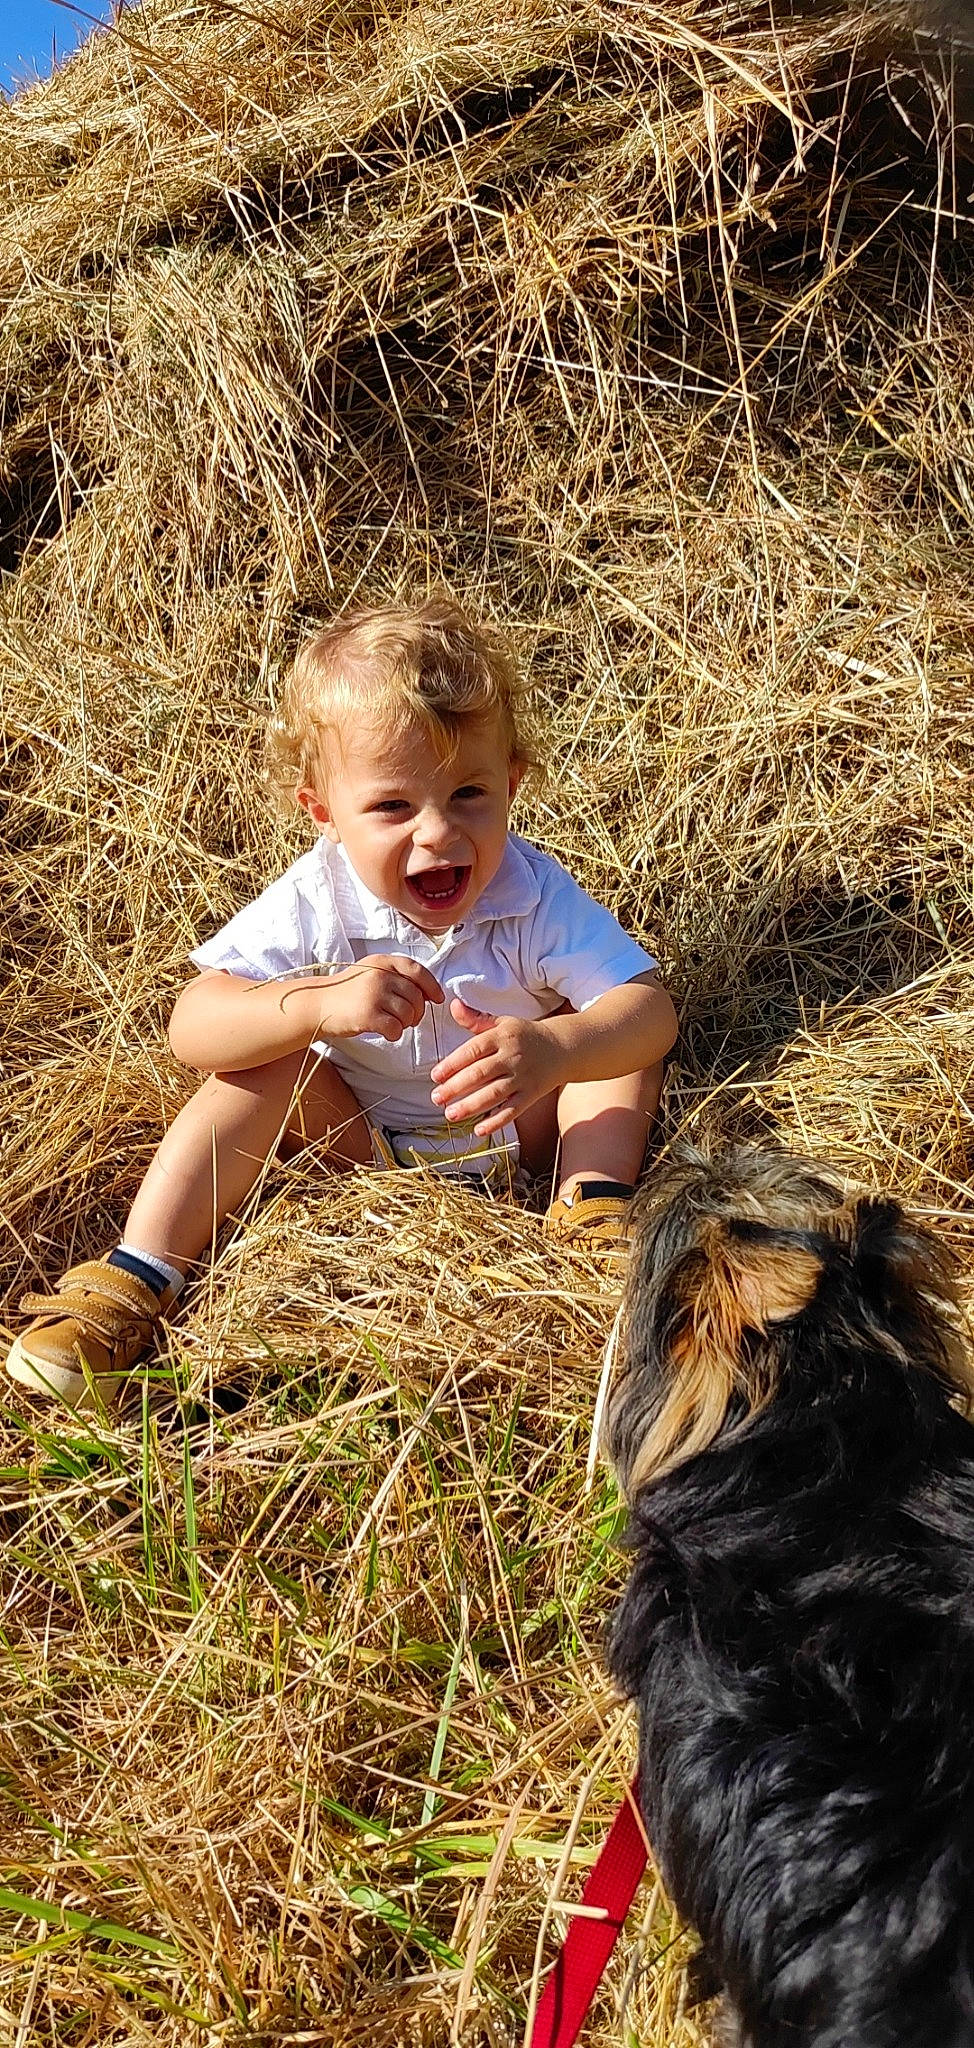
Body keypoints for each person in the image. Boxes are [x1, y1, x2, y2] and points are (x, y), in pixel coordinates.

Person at [6, 598, 678, 1407]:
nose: (438, 834)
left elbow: (651, 1013)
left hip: (518, 1130)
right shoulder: (314, 901)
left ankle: (591, 1211)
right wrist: (315, 1004)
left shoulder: (533, 893)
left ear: (512, 782)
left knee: (609, 1035)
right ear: (323, 812)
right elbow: (194, 1024)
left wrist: (555, 1051)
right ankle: (135, 1280)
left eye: (469, 793)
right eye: (393, 806)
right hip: (361, 1144)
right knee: (260, 1065)